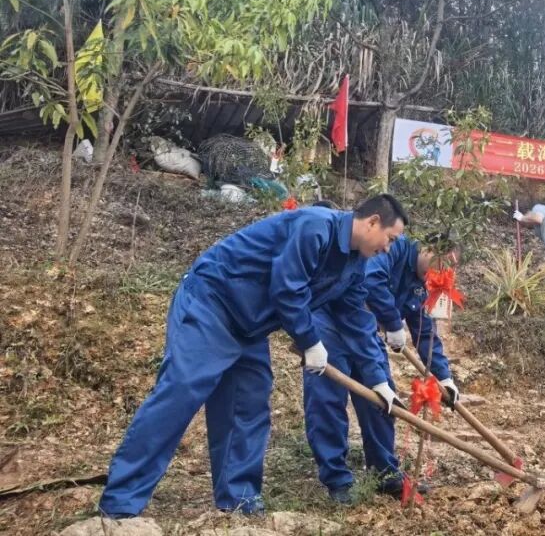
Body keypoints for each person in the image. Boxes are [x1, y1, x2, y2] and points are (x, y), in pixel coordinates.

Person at [97, 196, 409, 518]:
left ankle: (239, 500)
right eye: (390, 239)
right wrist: (310, 341)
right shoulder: (315, 227)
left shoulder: (355, 265)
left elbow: (356, 319)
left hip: (250, 326)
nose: (388, 249)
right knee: (180, 394)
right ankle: (120, 503)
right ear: (372, 222)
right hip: (212, 304)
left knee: (248, 405)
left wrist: (377, 380)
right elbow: (287, 287)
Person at [303, 233, 460, 503]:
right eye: (441, 263)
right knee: (327, 402)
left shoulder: (423, 285)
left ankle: (384, 474)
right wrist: (393, 322)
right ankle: (337, 480)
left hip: (366, 334)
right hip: (330, 321)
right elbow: (372, 280)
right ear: (427, 248)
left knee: (382, 400)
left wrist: (444, 377)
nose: (442, 272)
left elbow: (425, 333)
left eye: (449, 268)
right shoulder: (392, 249)